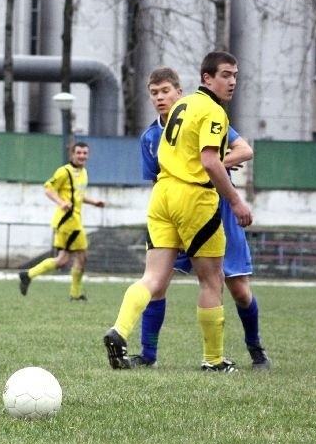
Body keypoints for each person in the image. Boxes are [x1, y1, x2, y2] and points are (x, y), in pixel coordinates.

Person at [103, 51, 253, 373]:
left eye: (235, 75)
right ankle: (213, 361)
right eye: (226, 75)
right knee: (212, 280)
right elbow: (210, 162)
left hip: (161, 195)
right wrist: (237, 202)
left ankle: (119, 330)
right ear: (206, 78)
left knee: (153, 278)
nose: (232, 82)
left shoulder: (180, 109)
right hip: (193, 198)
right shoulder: (213, 111)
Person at [130, 67, 270, 370]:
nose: (159, 98)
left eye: (165, 91)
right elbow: (157, 181)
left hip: (217, 210)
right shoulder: (150, 137)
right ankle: (148, 354)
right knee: (158, 281)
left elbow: (243, 150)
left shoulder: (203, 114)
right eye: (154, 93)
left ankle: (255, 348)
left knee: (237, 289)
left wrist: (216, 165)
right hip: (178, 213)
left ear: (179, 92)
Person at [18, 142, 105, 301]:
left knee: (64, 260)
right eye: (78, 153)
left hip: (74, 220)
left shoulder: (84, 172)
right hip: (67, 221)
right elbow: (48, 189)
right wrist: (61, 203)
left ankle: (28, 275)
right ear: (72, 154)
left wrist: (94, 202)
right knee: (81, 257)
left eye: (85, 153)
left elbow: (78, 195)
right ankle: (75, 294)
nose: (82, 156)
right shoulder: (64, 171)